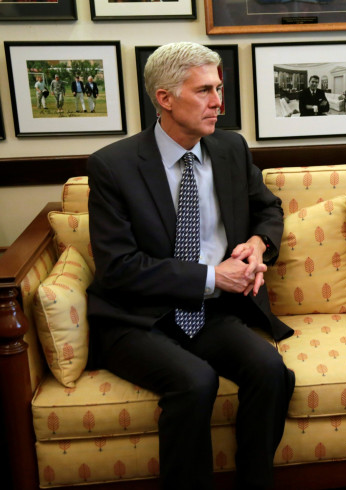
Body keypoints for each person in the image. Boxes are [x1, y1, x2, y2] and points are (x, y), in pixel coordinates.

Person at [86, 42, 295, 490]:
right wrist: (211, 275)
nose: (219, 102)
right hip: (138, 318)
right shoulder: (113, 167)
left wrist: (259, 243)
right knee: (196, 382)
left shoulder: (230, 149)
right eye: (204, 91)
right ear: (165, 98)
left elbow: (269, 209)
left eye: (219, 89)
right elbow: (118, 267)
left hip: (211, 313)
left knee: (271, 370)